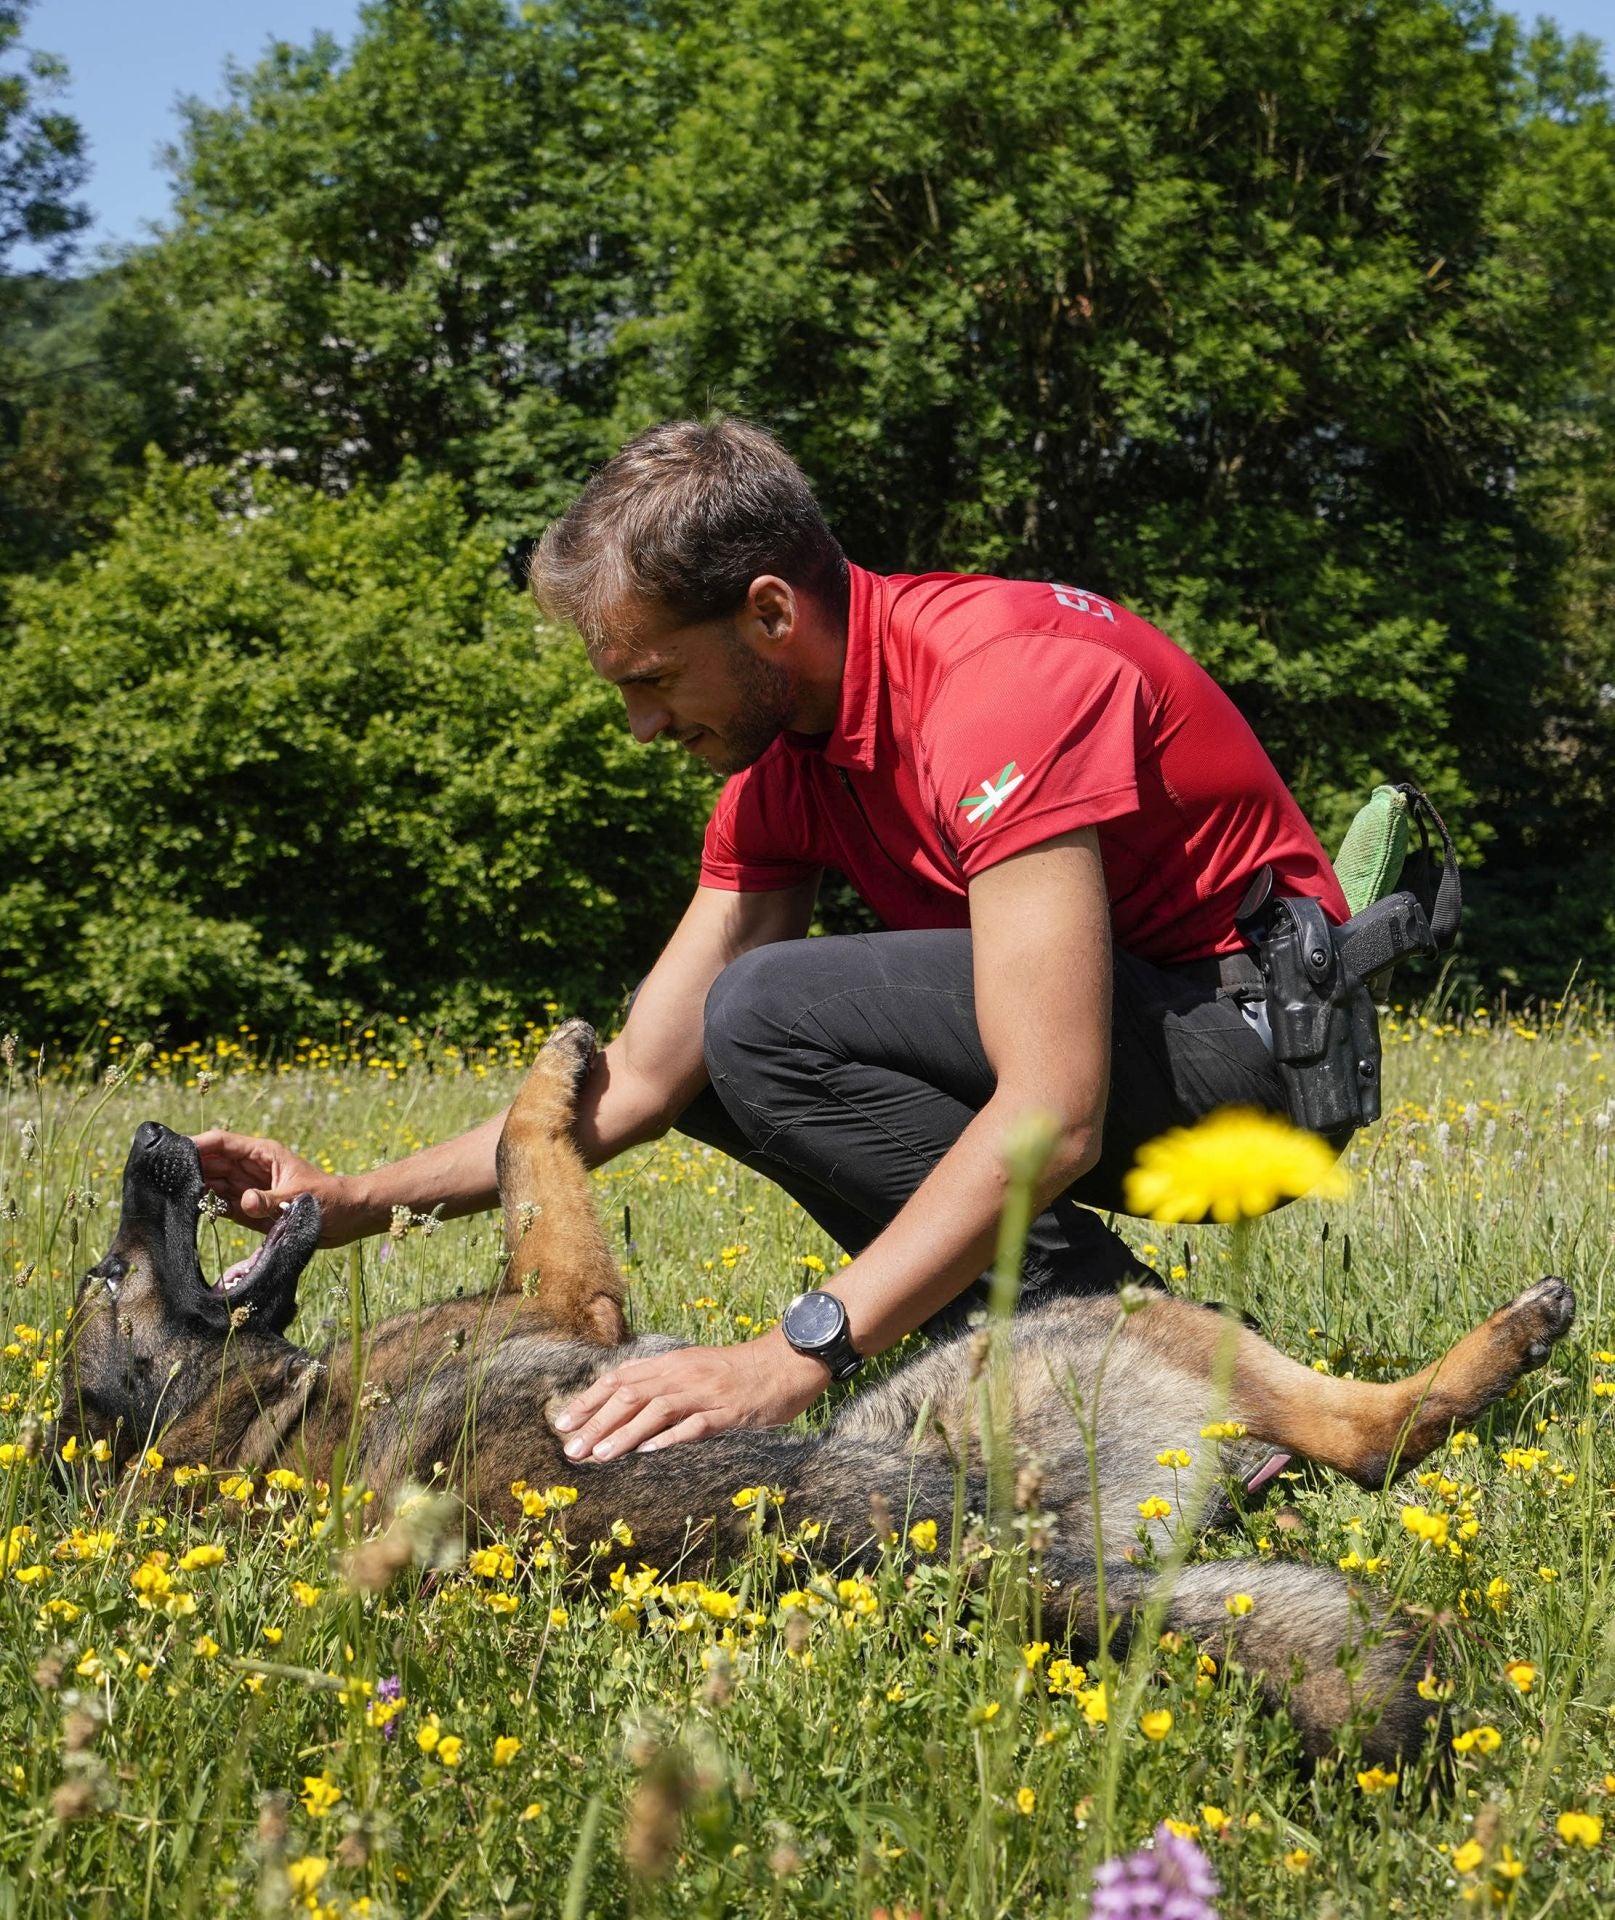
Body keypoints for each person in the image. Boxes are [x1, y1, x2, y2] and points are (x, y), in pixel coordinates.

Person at [196, 416, 1348, 1463]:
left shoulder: (996, 687)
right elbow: (643, 1075)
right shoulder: (784, 761)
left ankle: (1164, 1379)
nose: (643, 728)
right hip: (1147, 1042)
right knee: (716, 1036)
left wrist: (795, 1353)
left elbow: (1054, 1113)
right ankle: (1154, 1386)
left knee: (759, 1011)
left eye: (652, 680)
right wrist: (348, 1199)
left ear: (768, 614)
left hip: (1245, 1048)